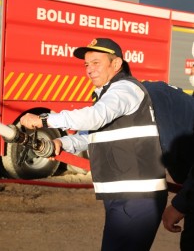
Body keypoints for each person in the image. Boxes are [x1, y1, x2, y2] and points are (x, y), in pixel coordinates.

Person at [20, 38, 168, 250]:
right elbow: (92, 136)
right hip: (123, 196)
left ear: (116, 64)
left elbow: (95, 117)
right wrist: (61, 142)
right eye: (87, 64)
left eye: (96, 63)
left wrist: (44, 120)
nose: (89, 69)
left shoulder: (125, 89)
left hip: (137, 198)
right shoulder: (107, 95)